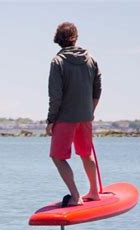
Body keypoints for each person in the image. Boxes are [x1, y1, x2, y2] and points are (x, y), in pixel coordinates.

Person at [46, 22, 102, 207]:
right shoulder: (91, 59)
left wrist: (50, 120)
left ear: (58, 40)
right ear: (75, 37)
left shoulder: (57, 62)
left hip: (65, 118)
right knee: (86, 154)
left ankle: (75, 196)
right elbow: (97, 89)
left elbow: (55, 95)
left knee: (57, 157)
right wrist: (90, 111)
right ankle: (94, 192)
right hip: (85, 117)